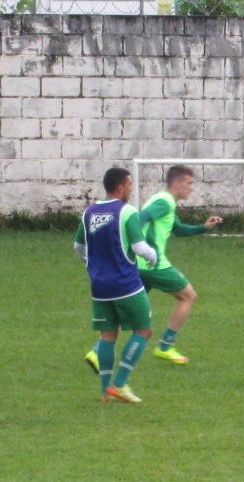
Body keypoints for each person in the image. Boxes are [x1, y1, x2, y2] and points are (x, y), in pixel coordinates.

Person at [84, 165, 222, 370]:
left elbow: (179, 230)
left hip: (139, 266)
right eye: (189, 183)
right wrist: (140, 247)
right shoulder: (163, 203)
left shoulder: (166, 202)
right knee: (188, 296)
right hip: (152, 264)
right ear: (177, 183)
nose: (192, 188)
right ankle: (165, 347)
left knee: (131, 312)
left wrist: (204, 227)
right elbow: (139, 218)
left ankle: (96, 352)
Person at [74, 166, 159, 404]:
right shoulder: (126, 211)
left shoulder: (89, 213)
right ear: (121, 187)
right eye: (130, 185)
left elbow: (78, 247)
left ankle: (105, 392)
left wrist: (92, 265)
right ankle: (120, 384)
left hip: (99, 286)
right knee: (144, 330)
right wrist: (153, 256)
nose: (132, 189)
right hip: (126, 284)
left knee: (108, 335)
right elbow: (139, 248)